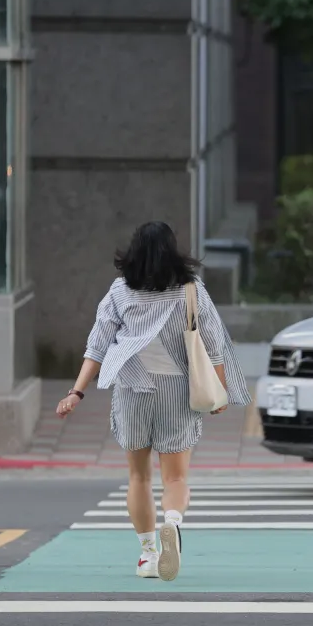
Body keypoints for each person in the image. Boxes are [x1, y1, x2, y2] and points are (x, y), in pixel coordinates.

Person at [57, 221, 250, 582]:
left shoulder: (120, 292)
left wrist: (76, 392)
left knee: (138, 477)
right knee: (175, 477)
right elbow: (214, 346)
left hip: (133, 392)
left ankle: (148, 555)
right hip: (177, 393)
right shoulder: (191, 290)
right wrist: (219, 391)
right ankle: (172, 524)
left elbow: (96, 347)